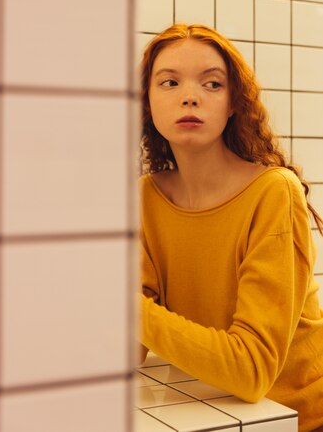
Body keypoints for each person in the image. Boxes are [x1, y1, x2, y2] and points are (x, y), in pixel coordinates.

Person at [138, 23, 323, 432]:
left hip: (300, 420)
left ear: (233, 104)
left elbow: (251, 371)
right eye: (169, 82)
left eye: (212, 84)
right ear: (147, 101)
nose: (189, 95)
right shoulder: (145, 198)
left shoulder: (273, 192)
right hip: (215, 411)